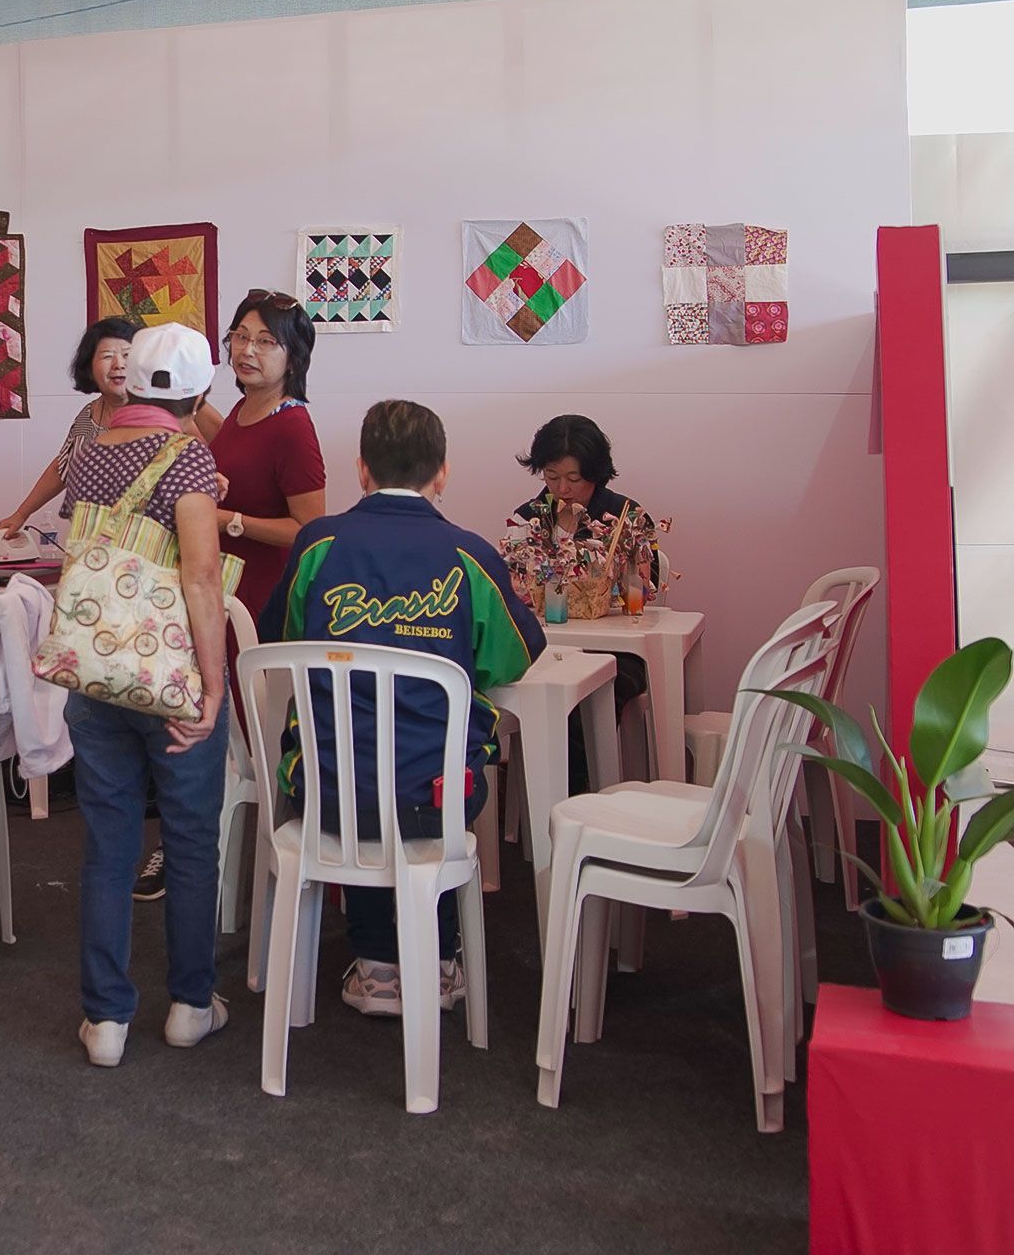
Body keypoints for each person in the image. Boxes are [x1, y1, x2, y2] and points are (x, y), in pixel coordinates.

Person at [262, 399, 544, 1017]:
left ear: (362, 470)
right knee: (424, 773)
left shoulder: (318, 544)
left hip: (325, 792)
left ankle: (375, 963)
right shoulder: (469, 555)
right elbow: (516, 655)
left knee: (356, 762)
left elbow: (278, 639)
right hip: (434, 799)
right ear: (442, 473)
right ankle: (437, 960)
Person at [61, 321, 231, 1068]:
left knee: (109, 844)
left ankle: (105, 1019)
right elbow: (200, 576)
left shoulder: (88, 449)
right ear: (199, 391)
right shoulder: (187, 456)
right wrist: (213, 686)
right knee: (190, 841)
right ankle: (191, 1005)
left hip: (98, 671)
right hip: (169, 677)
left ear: (128, 378)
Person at [132, 290, 324, 902]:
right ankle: (192, 845)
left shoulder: (293, 425)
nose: (247, 350)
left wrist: (225, 519)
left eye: (266, 341)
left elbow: (309, 530)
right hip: (219, 593)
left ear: (293, 356)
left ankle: (245, 860)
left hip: (260, 606)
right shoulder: (244, 411)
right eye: (240, 336)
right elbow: (216, 433)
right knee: (204, 729)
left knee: (237, 736)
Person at [0, 318, 221, 539]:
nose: (118, 364)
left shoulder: (168, 412)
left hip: (156, 541)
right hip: (96, 545)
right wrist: (21, 514)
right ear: (89, 367)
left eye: (127, 355)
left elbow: (213, 452)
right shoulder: (88, 415)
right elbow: (62, 467)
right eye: (107, 356)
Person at [511, 414, 657, 719]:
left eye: (574, 478)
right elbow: (512, 588)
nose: (562, 488)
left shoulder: (625, 517)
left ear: (595, 473)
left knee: (584, 696)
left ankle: (582, 753)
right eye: (551, 476)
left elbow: (644, 591)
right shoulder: (528, 518)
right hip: (545, 646)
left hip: (615, 651)